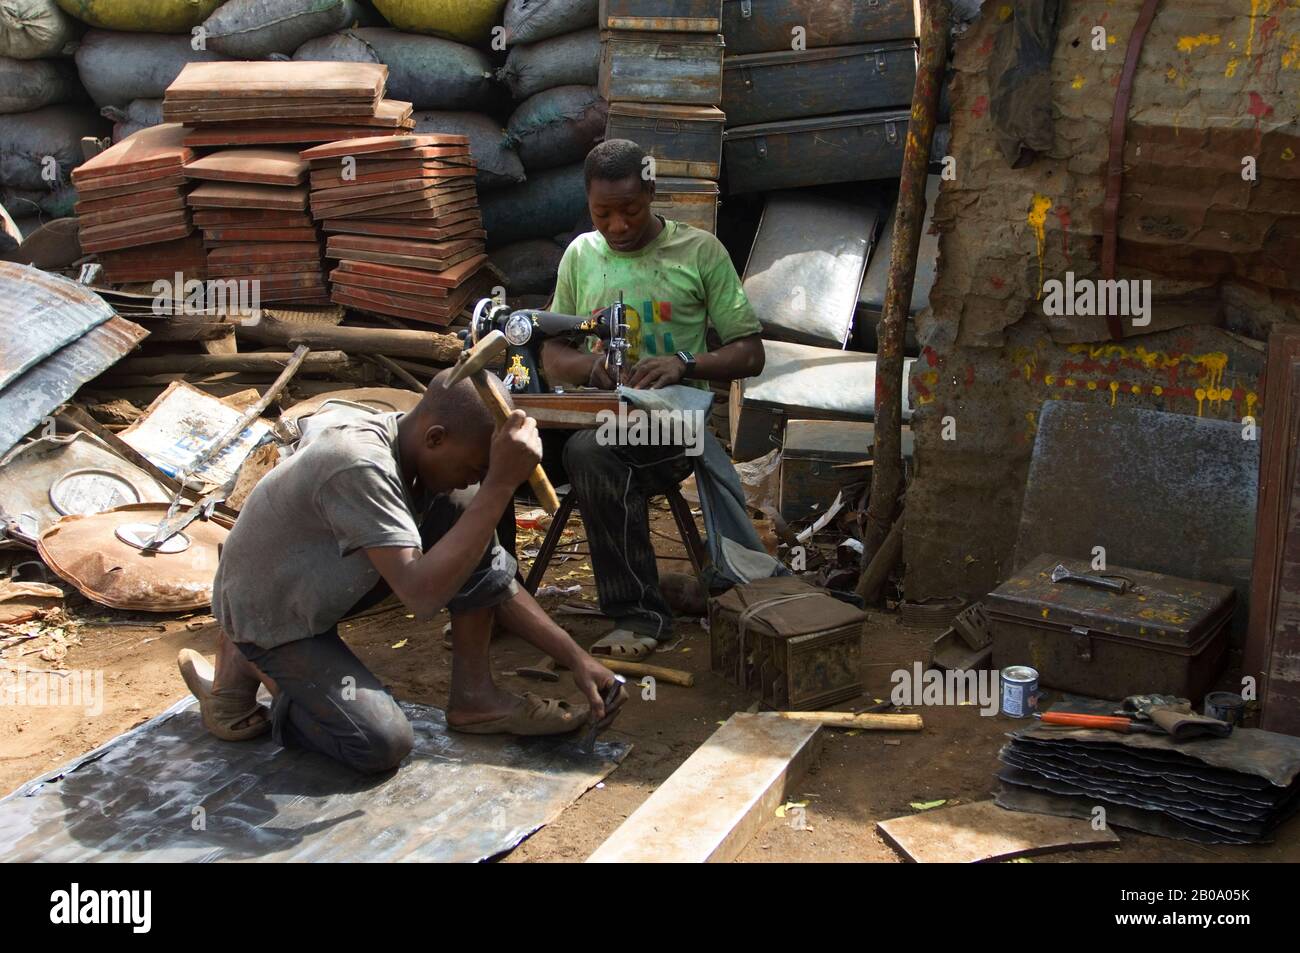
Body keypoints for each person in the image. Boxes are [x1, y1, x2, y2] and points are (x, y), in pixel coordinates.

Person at [177, 369, 622, 774]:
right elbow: (422, 596)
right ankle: (255, 661)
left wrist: (576, 658)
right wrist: (500, 483)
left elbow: (488, 575)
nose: (473, 480)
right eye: (474, 469)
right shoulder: (359, 464)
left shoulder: (420, 460)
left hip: (322, 583)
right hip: (272, 610)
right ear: (434, 438)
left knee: (465, 517)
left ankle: (474, 700)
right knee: (380, 743)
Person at [540, 138, 765, 661]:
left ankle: (639, 615)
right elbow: (553, 349)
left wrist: (685, 364)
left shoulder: (700, 252)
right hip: (598, 415)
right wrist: (593, 368)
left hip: (672, 429)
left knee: (593, 452)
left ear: (652, 191)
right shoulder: (581, 255)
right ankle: (494, 600)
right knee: (495, 440)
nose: (617, 226)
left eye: (631, 210)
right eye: (602, 214)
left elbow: (750, 353)